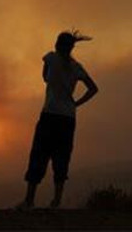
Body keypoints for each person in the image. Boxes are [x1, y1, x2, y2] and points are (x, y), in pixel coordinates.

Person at [17, 30, 99, 210]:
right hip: (68, 117)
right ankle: (56, 201)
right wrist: (76, 103)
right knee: (62, 157)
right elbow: (93, 88)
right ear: (71, 47)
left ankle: (29, 200)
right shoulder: (77, 67)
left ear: (56, 44)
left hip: (50, 114)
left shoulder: (50, 58)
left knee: (39, 154)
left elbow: (45, 78)